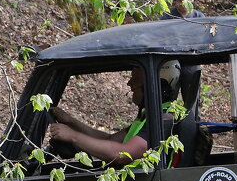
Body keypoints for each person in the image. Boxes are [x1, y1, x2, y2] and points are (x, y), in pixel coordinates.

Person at [48, 62, 180, 165]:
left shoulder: (165, 119)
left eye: (135, 78)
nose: (129, 83)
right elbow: (109, 140)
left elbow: (122, 154)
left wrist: (73, 136)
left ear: (157, 84)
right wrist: (70, 121)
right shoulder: (151, 115)